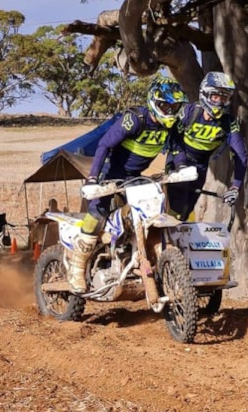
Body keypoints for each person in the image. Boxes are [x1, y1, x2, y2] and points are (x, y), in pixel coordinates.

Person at [67, 77, 188, 294]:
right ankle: (77, 267)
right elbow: (104, 144)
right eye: (165, 105)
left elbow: (178, 150)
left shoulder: (172, 127)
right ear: (153, 102)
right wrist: (94, 177)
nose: (169, 110)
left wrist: (180, 168)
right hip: (111, 174)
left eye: (174, 106)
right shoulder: (135, 119)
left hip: (136, 176)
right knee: (97, 214)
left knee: (150, 210)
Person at [166, 71, 248, 220]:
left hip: (201, 165)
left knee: (185, 211)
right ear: (205, 94)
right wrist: (181, 165)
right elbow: (174, 140)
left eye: (224, 98)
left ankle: (176, 239)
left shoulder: (229, 123)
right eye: (216, 96)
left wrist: (235, 187)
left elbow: (241, 155)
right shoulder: (189, 111)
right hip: (179, 158)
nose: (219, 102)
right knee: (174, 206)